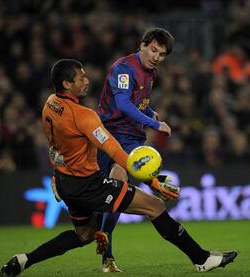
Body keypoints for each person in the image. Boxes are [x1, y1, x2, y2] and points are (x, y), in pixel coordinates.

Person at [0, 59, 237, 277]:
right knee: (155, 206)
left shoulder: (50, 104)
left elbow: (55, 147)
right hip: (89, 185)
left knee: (84, 235)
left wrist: (59, 166)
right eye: (81, 78)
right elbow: (114, 150)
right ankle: (202, 259)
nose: (87, 81)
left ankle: (24, 260)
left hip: (65, 181)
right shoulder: (85, 116)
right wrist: (153, 180)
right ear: (66, 83)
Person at [95, 27, 173, 272]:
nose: (156, 57)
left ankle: (105, 245)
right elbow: (122, 103)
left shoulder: (151, 73)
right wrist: (155, 123)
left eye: (161, 54)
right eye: (153, 50)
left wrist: (149, 112)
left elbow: (137, 102)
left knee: (119, 182)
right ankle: (101, 237)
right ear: (142, 45)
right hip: (106, 134)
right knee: (104, 196)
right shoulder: (124, 69)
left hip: (130, 137)